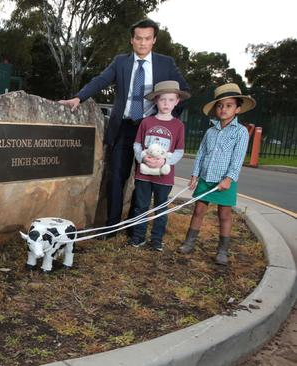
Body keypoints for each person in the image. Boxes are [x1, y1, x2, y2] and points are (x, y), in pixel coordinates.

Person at [59, 18, 189, 239]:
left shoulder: (165, 64)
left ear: (154, 40)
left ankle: (133, 228)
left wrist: (166, 118)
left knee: (143, 181)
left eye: (147, 38)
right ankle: (111, 227)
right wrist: (79, 98)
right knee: (116, 178)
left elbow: (183, 91)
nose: (142, 43)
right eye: (138, 38)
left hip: (150, 131)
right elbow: (100, 80)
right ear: (132, 40)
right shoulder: (121, 62)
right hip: (123, 128)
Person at [178, 83, 256, 265]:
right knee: (198, 210)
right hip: (206, 178)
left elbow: (237, 159)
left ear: (237, 109)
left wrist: (228, 179)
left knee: (224, 215)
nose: (223, 109)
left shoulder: (241, 132)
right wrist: (195, 175)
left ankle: (222, 250)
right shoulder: (210, 131)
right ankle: (189, 242)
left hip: (225, 181)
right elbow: (201, 154)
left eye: (229, 105)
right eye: (220, 105)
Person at [129, 80, 190, 251]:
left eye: (171, 100)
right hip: (144, 174)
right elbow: (137, 145)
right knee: (141, 206)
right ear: (156, 100)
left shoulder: (178, 125)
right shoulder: (146, 122)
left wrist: (165, 161)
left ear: (177, 101)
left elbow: (179, 151)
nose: (166, 103)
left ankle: (156, 239)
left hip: (164, 176)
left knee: (161, 207)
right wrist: (143, 158)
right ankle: (138, 237)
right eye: (162, 99)